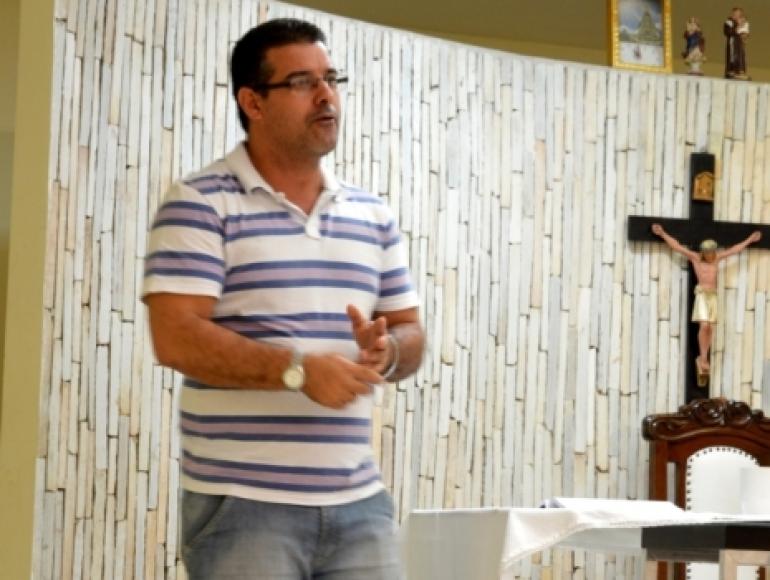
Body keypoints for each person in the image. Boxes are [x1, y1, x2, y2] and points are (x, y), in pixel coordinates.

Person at [143, 18, 425, 580]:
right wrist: (298, 372)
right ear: (253, 102)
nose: (325, 96)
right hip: (244, 506)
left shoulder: (372, 214)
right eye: (301, 82)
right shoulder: (199, 202)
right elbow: (175, 338)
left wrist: (388, 351)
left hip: (361, 503)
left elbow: (411, 332)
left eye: (331, 79)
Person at [651, 224, 761, 380]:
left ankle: (704, 356)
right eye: (708, 253)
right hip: (702, 295)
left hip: (713, 296)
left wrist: (750, 239)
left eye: (712, 252)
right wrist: (662, 233)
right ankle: (702, 358)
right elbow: (677, 246)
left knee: (711, 328)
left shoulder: (717, 258)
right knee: (704, 326)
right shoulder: (695, 258)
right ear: (703, 252)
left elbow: (734, 250)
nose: (711, 255)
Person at [724, 7, 750, 80]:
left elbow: (745, 33)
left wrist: (745, 35)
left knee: (741, 57)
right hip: (733, 43)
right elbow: (728, 32)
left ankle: (740, 71)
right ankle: (732, 71)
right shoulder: (728, 23)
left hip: (740, 44)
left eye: (739, 14)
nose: (737, 16)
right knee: (733, 57)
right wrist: (738, 26)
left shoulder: (743, 22)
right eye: (735, 14)